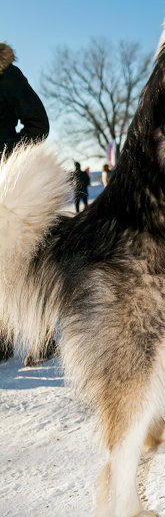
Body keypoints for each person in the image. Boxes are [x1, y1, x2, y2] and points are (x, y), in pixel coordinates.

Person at [0, 41, 54, 364]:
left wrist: (8, 154)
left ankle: (42, 334)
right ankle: (3, 339)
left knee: (22, 260)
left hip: (8, 184)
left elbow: (39, 124)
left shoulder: (7, 75)